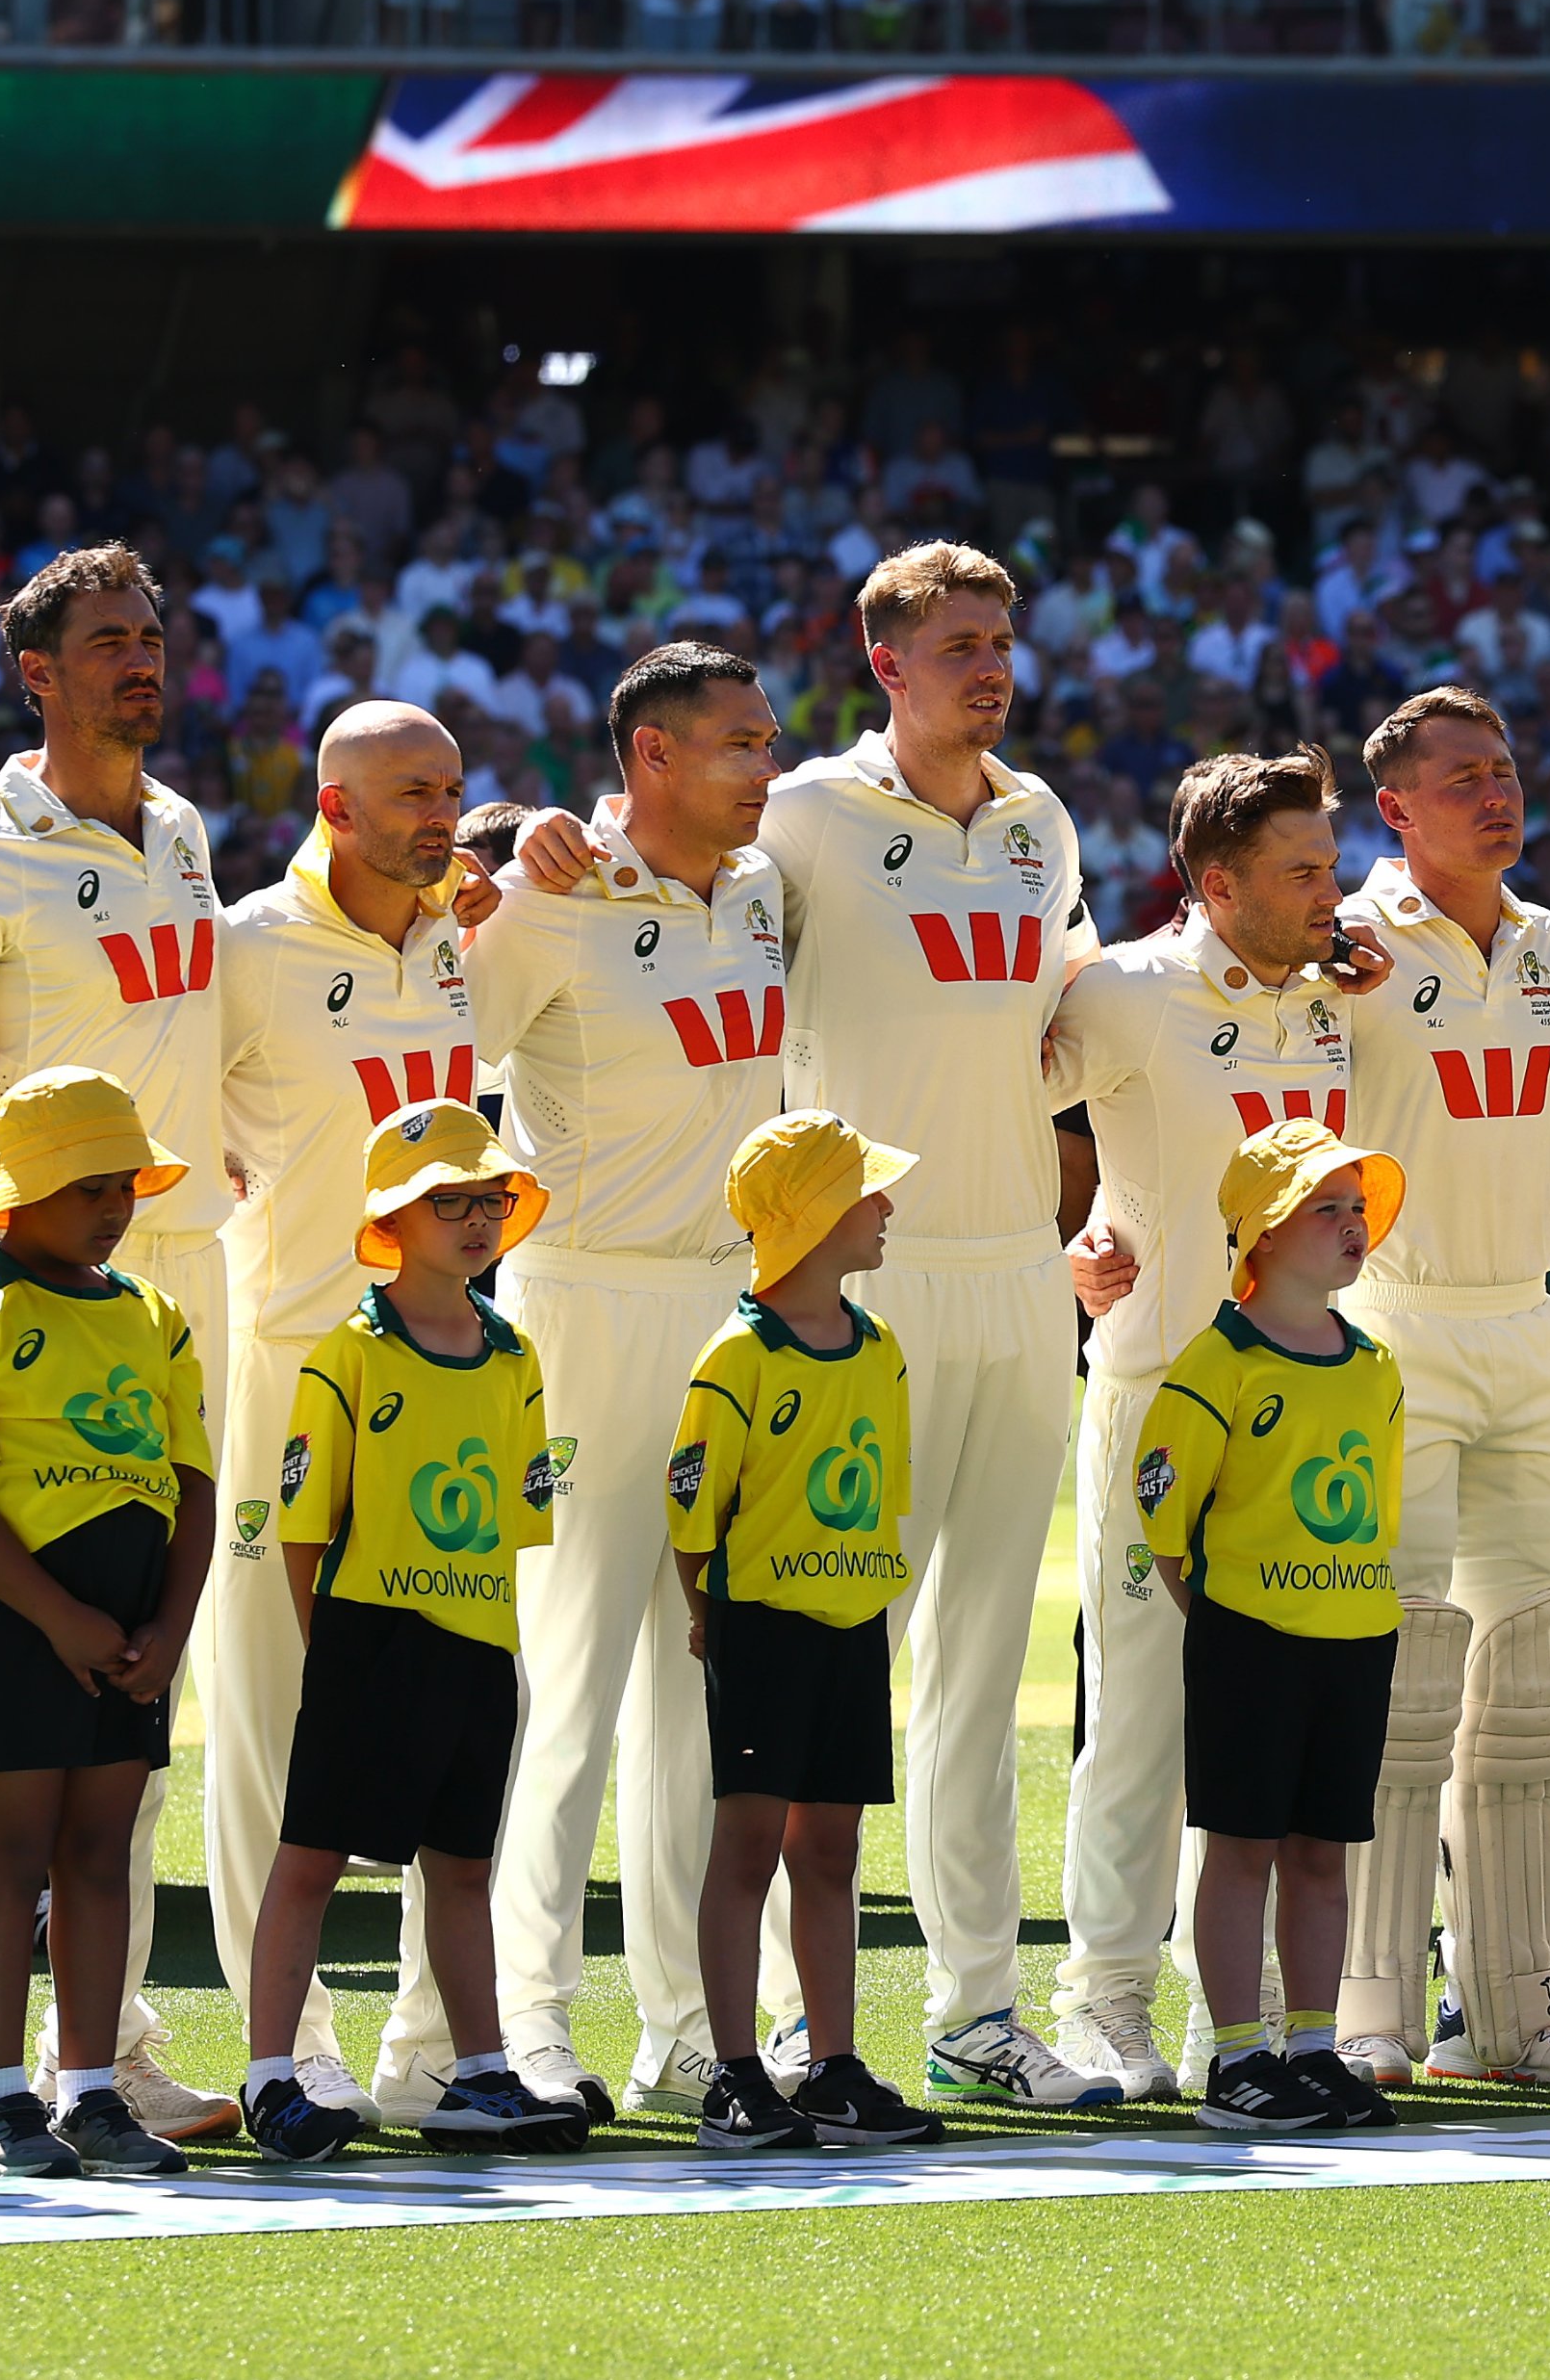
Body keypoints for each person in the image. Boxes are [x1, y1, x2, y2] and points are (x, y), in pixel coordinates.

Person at [520, 543, 1112, 2109]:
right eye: (958, 642)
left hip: (1018, 1280)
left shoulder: (1042, 824)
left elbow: (1072, 1021)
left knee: (979, 1677)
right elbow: (640, 860)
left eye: (1003, 639)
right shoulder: (798, 819)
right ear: (885, 660)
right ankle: (774, 2026)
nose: (990, 665)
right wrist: (537, 845)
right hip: (860, 1287)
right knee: (797, 1672)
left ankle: (977, 2014)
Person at [0, 545, 241, 2147]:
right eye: (110, 641)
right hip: (28, 1289)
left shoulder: (179, 831)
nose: (142, 661)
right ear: (37, 672)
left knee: (131, 1680)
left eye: (154, 637)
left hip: (170, 1278)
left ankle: (110, 2046)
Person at [469, 642, 795, 2122]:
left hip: (725, 1309)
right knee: (563, 1682)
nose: (766, 764)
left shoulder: (765, 885)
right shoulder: (549, 894)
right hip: (581, 1301)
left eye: (772, 737)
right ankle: (525, 2018)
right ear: (650, 758)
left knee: (698, 1686)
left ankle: (687, 2024)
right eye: (738, 743)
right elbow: (429, 1054)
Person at [1041, 746, 1366, 2098]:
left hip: (1312, 1412)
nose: (1326, 893)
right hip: (1163, 1390)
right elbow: (985, 1107)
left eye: (1330, 866)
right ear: (1216, 881)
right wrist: (1059, 1249)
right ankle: (1101, 1998)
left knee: (1281, 1730)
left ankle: (1268, 2029)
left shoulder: (1348, 993)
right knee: (1139, 1717)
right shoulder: (1117, 989)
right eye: (1300, 870)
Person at [1313, 693, 1550, 2085]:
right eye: (1464, 779)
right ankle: (1371, 2004)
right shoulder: (1350, 942)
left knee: (1531, 1678)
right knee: (1406, 1673)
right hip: (1400, 1320)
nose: (1497, 794)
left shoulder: (1548, 936)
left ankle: (1520, 2008)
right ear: (1396, 808)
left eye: (1505, 769)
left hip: (1530, 1325)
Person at [208, 704, 488, 2129]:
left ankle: (441, 2049)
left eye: (449, 787)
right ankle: (289, 2047)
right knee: (274, 1709)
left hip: (439, 1376)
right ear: (333, 801)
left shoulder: (460, 942)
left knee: (455, 1707)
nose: (437, 811)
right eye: (407, 790)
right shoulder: (247, 944)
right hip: (288, 1364)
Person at [0, 1069, 213, 2179]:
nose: (113, 1206)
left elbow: (194, 1481)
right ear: (14, 1196)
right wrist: (58, 1614)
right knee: (10, 1853)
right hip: (25, 1618)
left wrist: (167, 1624)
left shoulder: (153, 1313)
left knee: (101, 1855)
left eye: (124, 1184)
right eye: (86, 1186)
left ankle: (93, 2095)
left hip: (131, 1626)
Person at [239, 1106, 589, 2162]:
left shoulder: (514, 1355)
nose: (478, 1220)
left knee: (464, 1868)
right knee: (310, 1863)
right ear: (392, 1214)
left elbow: (522, 1523)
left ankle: (477, 2074)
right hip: (371, 1640)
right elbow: (305, 1532)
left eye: (490, 1199)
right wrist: (340, 1654)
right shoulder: (345, 1355)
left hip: (480, 1643)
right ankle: (268, 2078)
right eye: (451, 1200)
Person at [1129, 1120, 1410, 2133]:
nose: (1352, 1224)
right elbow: (1164, 1510)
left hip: (1355, 1633)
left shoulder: (1374, 1362)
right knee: (1243, 1848)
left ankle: (1308, 2044)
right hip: (1250, 1636)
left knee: (1324, 1850)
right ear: (1260, 1235)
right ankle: (1238, 2060)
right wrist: (1226, 1624)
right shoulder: (1219, 1361)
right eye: (1323, 1208)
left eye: (1356, 1206)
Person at [672, 1110, 943, 2152]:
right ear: (814, 1213)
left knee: (830, 1847)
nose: (885, 1208)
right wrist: (712, 1617)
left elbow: (886, 1492)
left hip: (848, 1627)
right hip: (766, 1628)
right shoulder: (736, 1356)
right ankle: (736, 2076)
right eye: (865, 1191)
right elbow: (693, 1514)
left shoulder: (879, 1347)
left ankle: (833, 2068)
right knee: (748, 1845)